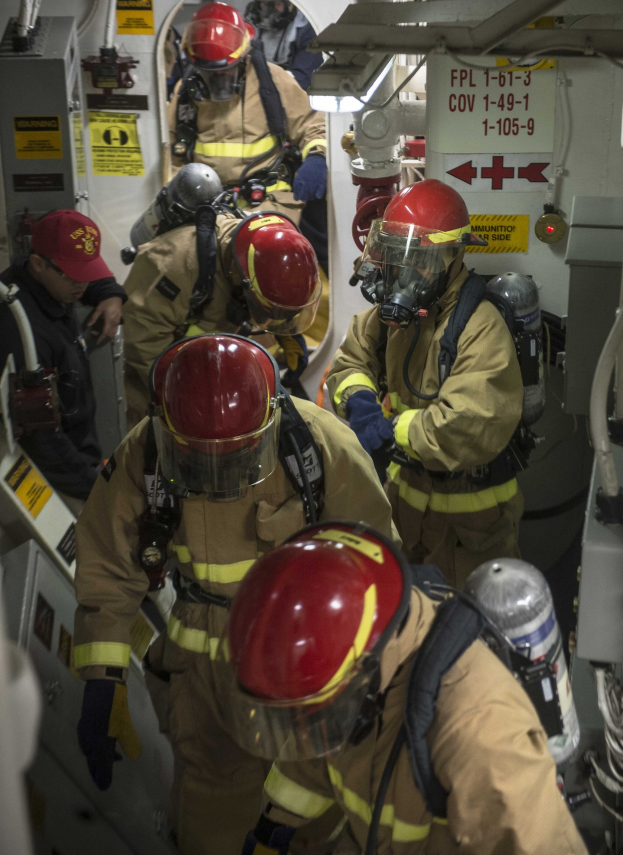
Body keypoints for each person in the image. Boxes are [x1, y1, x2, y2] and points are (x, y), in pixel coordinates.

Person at [73, 333, 399, 855]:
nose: (219, 476)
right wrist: (103, 675)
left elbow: (375, 565)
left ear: (269, 417)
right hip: (203, 685)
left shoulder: (317, 447)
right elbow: (108, 563)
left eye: (236, 458)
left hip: (300, 672)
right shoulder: (149, 450)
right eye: (199, 460)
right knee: (208, 826)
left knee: (307, 817)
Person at [218, 521, 588, 855]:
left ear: (362, 670)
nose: (299, 725)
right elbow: (311, 755)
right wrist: (273, 831)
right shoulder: (342, 689)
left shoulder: (479, 731)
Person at [326, 179, 524, 588]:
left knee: (467, 631)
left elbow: (468, 421)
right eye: (395, 256)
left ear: (452, 256)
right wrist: (360, 402)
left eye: (417, 258)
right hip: (403, 506)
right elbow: (348, 362)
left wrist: (392, 429)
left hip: (471, 527)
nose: (401, 272)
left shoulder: (480, 327)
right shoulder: (392, 319)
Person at [122, 210, 322, 429]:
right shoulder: (173, 265)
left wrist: (283, 329)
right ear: (244, 281)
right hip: (160, 381)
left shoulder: (270, 250)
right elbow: (142, 343)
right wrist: (180, 393)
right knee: (153, 442)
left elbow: (262, 303)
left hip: (211, 369)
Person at [0, 210, 126, 514]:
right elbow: (38, 436)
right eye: (73, 275)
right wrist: (91, 484)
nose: (82, 286)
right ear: (38, 264)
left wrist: (111, 294)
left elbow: (87, 279)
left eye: (88, 273)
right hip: (55, 476)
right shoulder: (21, 330)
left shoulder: (51, 284)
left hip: (81, 455)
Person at [168, 2, 327, 232]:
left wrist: (317, 157)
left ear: (243, 58)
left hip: (267, 204)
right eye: (210, 74)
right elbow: (172, 151)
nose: (217, 81)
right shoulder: (186, 92)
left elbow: (312, 124)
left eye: (226, 71)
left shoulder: (271, 80)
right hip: (206, 208)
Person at [243, 0, 323, 91]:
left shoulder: (307, 31)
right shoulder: (248, 25)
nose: (268, 10)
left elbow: (301, 78)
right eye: (264, 3)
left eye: (275, 3)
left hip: (289, 95)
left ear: (291, 4)